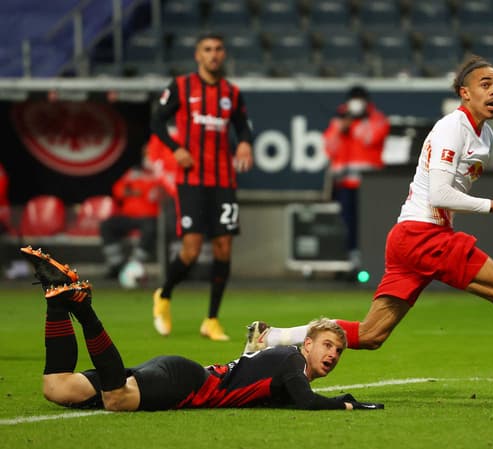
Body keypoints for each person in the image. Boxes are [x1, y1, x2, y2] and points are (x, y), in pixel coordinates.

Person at [243, 56, 493, 404]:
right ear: (464, 93)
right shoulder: (452, 129)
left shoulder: (484, 135)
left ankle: (269, 337)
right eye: (485, 84)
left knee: (371, 334)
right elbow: (440, 193)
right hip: (424, 236)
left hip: (411, 238)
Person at [19, 245, 383, 411]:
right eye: (327, 345)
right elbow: (305, 400)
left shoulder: (282, 361)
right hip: (186, 384)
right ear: (307, 345)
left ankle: (56, 301)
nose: (333, 354)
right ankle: (84, 311)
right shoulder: (293, 364)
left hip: (173, 371)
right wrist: (345, 403)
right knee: (117, 399)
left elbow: (257, 370)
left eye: (338, 350)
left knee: (58, 388)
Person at [149, 32, 254, 341]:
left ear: (224, 54)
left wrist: (245, 143)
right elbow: (156, 121)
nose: (213, 54)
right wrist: (174, 148)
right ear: (198, 55)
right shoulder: (181, 87)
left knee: (224, 247)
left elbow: (242, 125)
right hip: (192, 179)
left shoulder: (231, 93)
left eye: (219, 49)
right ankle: (164, 294)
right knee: (192, 249)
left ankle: (211, 319)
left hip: (223, 180)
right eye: (207, 49)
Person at [324, 86, 390, 277]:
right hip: (344, 184)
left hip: (369, 185)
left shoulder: (377, 119)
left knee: (369, 225)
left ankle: (373, 262)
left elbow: (371, 137)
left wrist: (353, 123)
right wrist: (341, 127)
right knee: (347, 225)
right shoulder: (339, 121)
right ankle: (351, 263)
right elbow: (329, 147)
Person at [100, 143, 166, 279]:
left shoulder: (162, 173)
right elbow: (118, 189)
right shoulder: (134, 172)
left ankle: (134, 264)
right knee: (107, 225)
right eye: (146, 154)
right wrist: (133, 191)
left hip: (150, 216)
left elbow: (159, 194)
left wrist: (138, 191)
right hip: (129, 215)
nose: (148, 157)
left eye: (151, 153)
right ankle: (116, 265)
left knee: (150, 227)